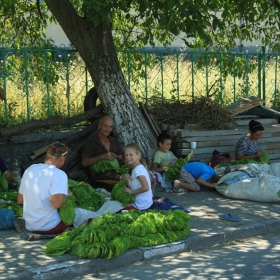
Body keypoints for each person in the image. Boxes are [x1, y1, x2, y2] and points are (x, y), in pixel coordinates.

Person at [17, 143, 72, 234]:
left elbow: (20, 200)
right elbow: (57, 204)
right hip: (49, 226)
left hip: (30, 226)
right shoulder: (59, 174)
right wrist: (65, 195)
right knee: (79, 217)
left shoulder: (30, 169)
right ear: (63, 158)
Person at [81, 116, 129, 191]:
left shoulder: (114, 141)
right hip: (101, 176)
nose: (108, 129)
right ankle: (124, 178)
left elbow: (122, 157)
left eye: (110, 127)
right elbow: (84, 162)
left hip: (118, 171)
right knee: (120, 176)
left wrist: (122, 159)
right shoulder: (91, 142)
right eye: (105, 126)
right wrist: (102, 157)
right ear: (99, 125)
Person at [122, 143, 153, 211]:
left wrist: (131, 191)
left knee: (117, 209)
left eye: (131, 155)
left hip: (141, 205)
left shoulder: (138, 170)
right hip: (145, 202)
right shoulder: (137, 168)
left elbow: (146, 187)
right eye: (126, 155)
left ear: (138, 155)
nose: (128, 157)